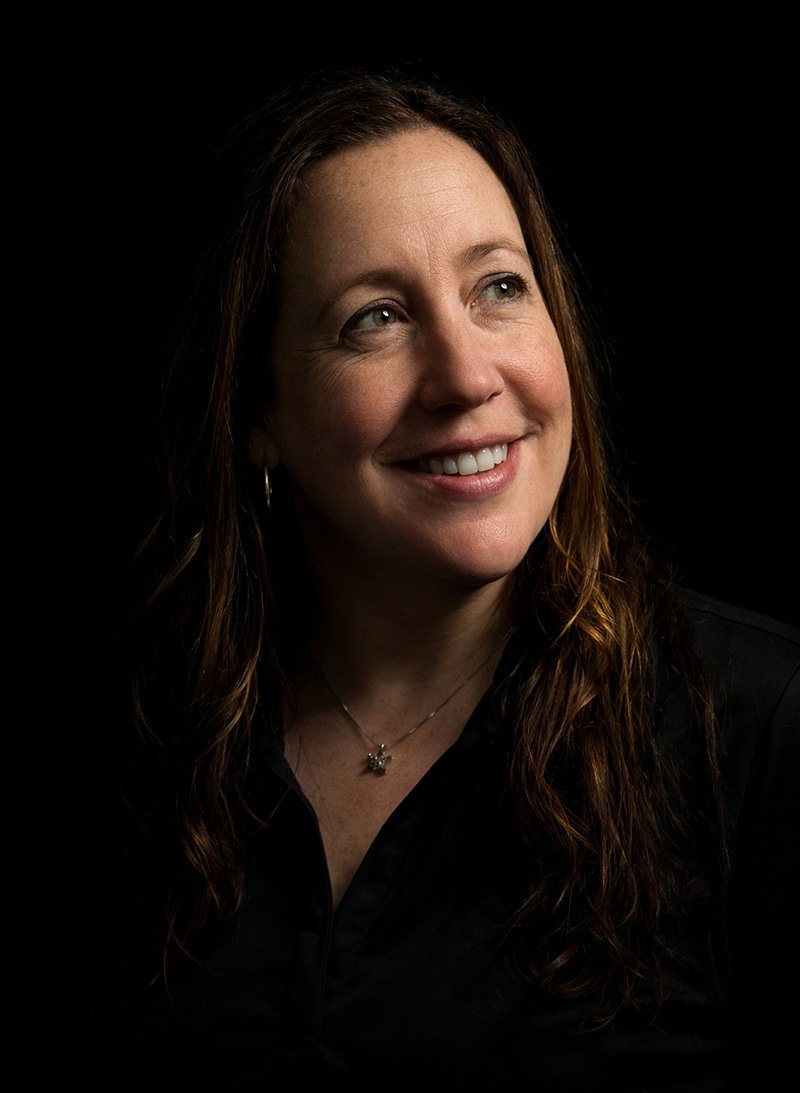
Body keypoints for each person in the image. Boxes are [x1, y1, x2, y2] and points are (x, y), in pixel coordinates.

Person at [88, 66, 799, 1089]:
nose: (466, 376)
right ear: (255, 412)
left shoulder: (761, 731)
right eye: (373, 317)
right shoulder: (140, 733)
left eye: (498, 288)